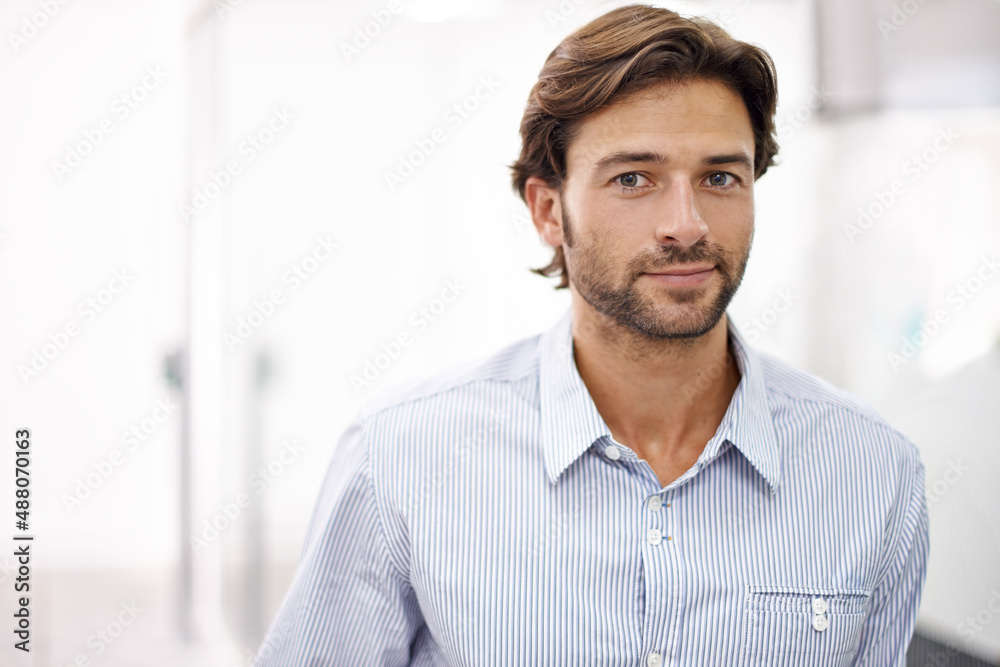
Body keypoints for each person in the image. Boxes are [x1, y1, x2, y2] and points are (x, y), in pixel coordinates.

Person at [255, 5, 929, 665]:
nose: (687, 224)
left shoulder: (872, 472)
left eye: (720, 176)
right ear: (549, 210)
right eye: (634, 178)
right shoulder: (402, 455)